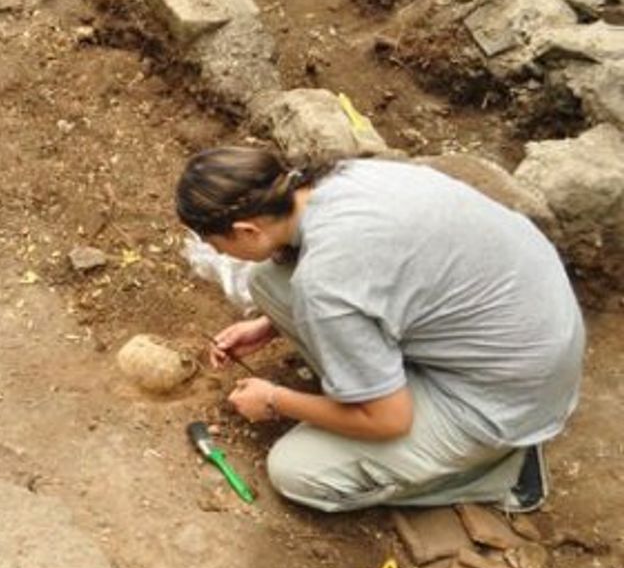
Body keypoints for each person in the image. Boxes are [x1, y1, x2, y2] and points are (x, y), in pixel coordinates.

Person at [175, 147, 584, 513]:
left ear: (248, 230)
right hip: (529, 327)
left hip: (506, 400)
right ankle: (378, 383)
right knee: (268, 282)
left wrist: (275, 400)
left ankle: (501, 470)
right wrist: (271, 325)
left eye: (215, 244)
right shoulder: (340, 177)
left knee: (296, 471)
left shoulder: (326, 283)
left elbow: (389, 421)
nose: (216, 253)